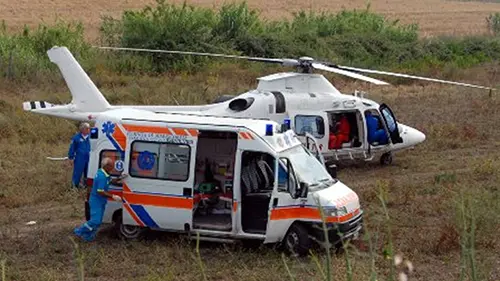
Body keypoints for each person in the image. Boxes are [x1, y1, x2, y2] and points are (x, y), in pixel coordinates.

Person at [74, 158, 127, 242]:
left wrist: (120, 178)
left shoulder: (104, 173)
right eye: (111, 165)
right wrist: (113, 196)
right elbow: (100, 191)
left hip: (101, 201)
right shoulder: (102, 176)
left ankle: (88, 237)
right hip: (96, 201)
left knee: (98, 222)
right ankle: (79, 231)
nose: (113, 167)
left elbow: (110, 181)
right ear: (107, 166)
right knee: (95, 220)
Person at [68, 122, 91, 188]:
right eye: (87, 128)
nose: (89, 129)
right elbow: (72, 148)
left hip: (89, 157)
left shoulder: (91, 137)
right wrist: (71, 157)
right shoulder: (76, 138)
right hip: (79, 158)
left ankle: (86, 185)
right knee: (77, 172)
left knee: (88, 172)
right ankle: (74, 186)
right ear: (83, 129)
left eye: (89, 128)